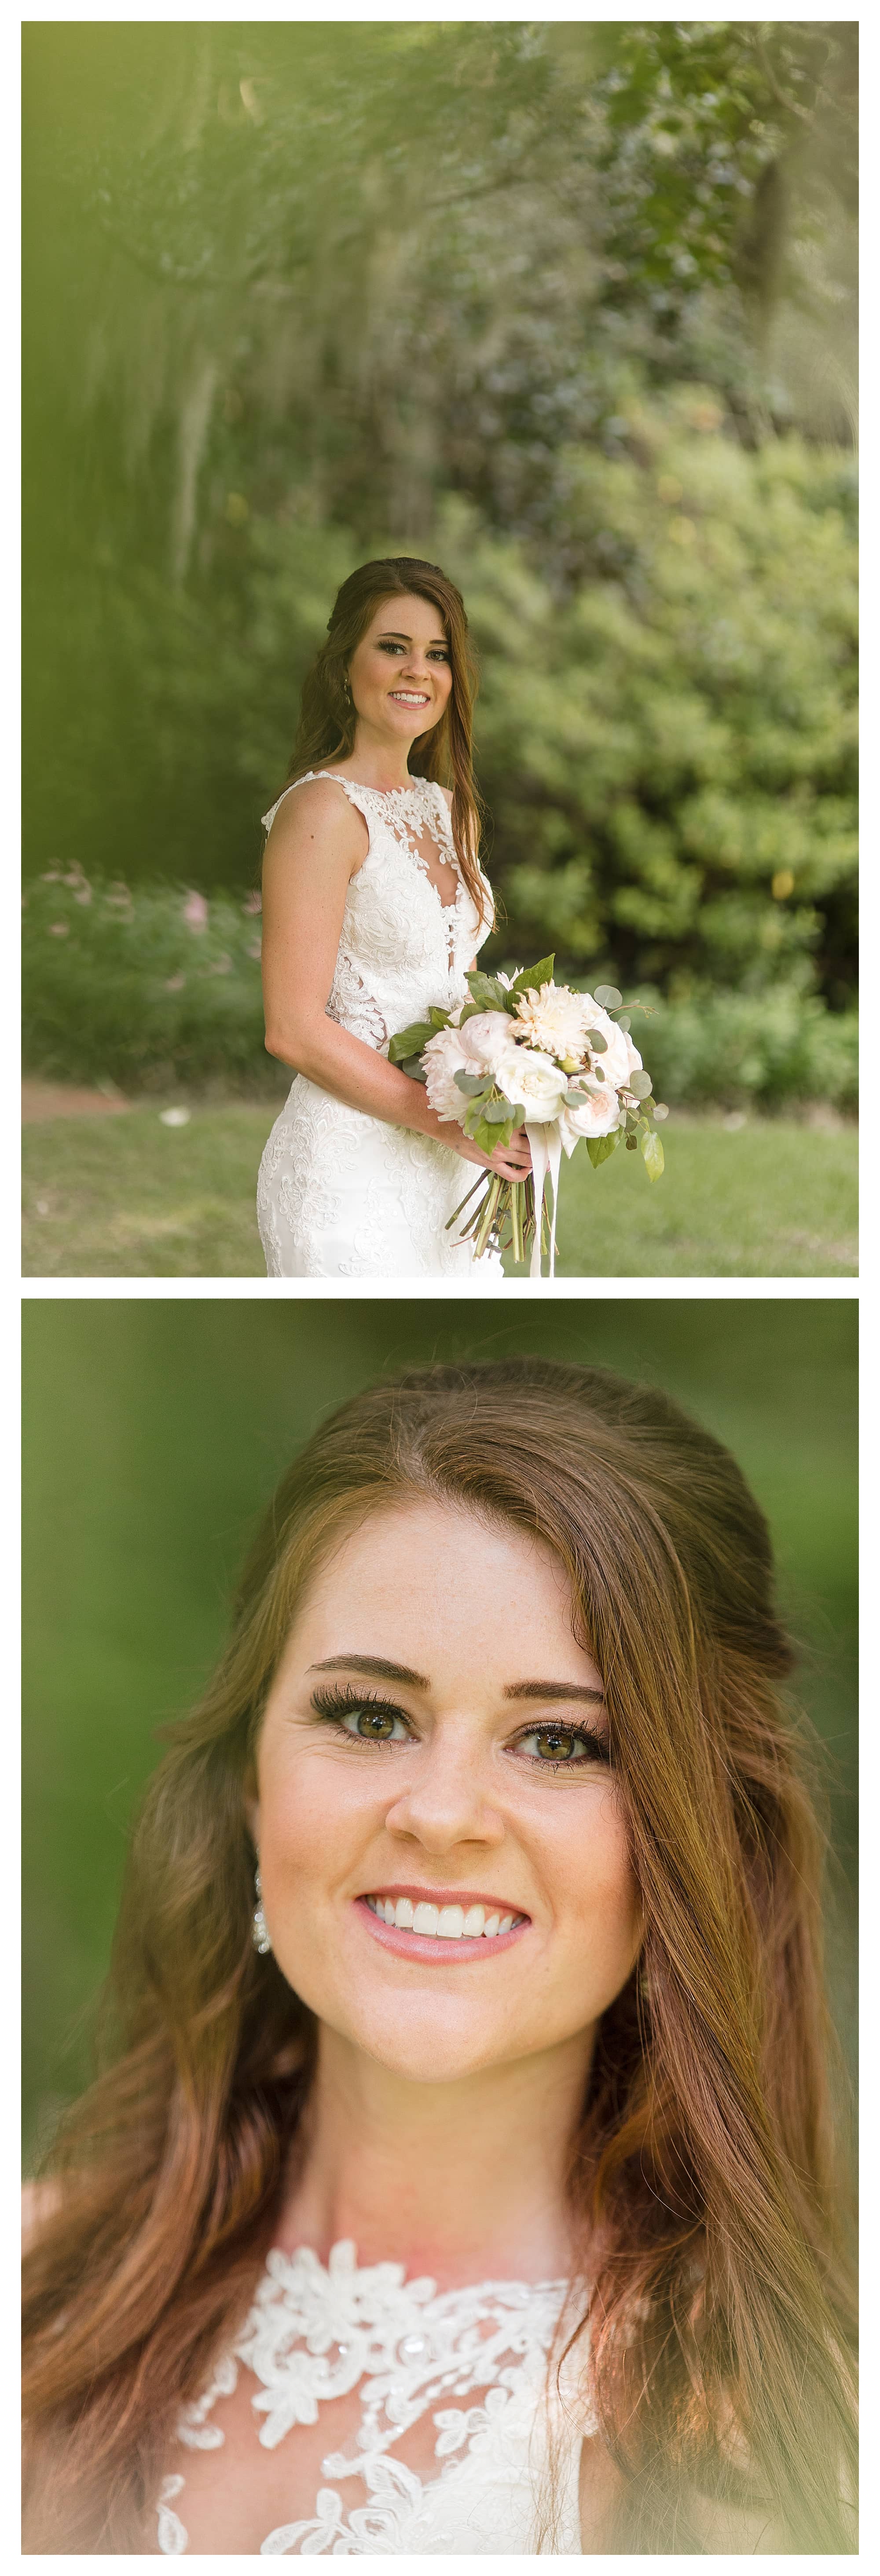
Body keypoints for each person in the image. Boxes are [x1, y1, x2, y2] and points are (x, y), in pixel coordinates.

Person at [22, 1358, 857, 2554]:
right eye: (369, 1716)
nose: (444, 1813)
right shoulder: (27, 2278)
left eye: (561, 1741)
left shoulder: (766, 2450)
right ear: (254, 1783)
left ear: (699, 1836)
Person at [255, 556, 531, 1278]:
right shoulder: (320, 812)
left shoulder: (448, 812)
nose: (418, 671)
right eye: (393, 647)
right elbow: (292, 1027)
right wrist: (442, 1120)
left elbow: (456, 990)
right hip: (347, 1167)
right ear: (344, 663)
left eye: (438, 654)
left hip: (453, 1165)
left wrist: (530, 1070)